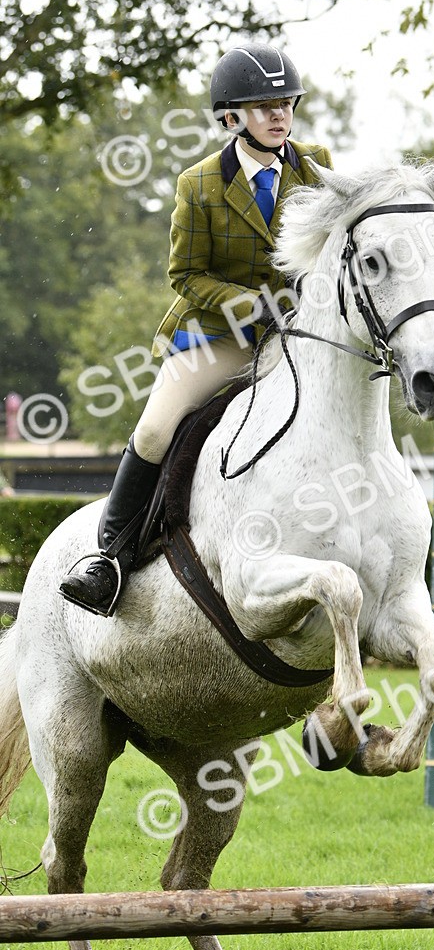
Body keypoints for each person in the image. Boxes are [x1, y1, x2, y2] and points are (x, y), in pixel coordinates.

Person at [60, 43, 333, 616]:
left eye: (286, 103)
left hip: (297, 333)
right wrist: (253, 305)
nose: (279, 115)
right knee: (156, 429)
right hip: (221, 336)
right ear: (232, 118)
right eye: (264, 106)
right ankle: (108, 559)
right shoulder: (200, 183)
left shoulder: (315, 166)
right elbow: (185, 276)